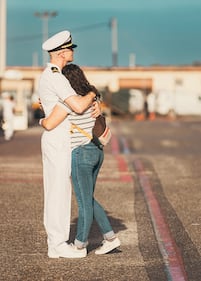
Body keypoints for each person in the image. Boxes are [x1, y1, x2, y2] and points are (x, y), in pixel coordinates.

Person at [40, 63, 121, 256]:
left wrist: (42, 119)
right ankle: (110, 238)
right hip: (97, 151)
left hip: (81, 153)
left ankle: (80, 244)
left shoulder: (70, 102)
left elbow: (50, 124)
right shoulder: (92, 99)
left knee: (84, 202)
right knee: (89, 199)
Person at [38, 30, 99, 259]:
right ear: (62, 53)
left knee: (59, 190)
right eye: (70, 48)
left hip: (59, 138)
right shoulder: (55, 76)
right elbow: (79, 105)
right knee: (57, 192)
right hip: (58, 139)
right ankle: (57, 244)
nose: (72, 51)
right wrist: (93, 93)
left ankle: (57, 243)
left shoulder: (52, 75)